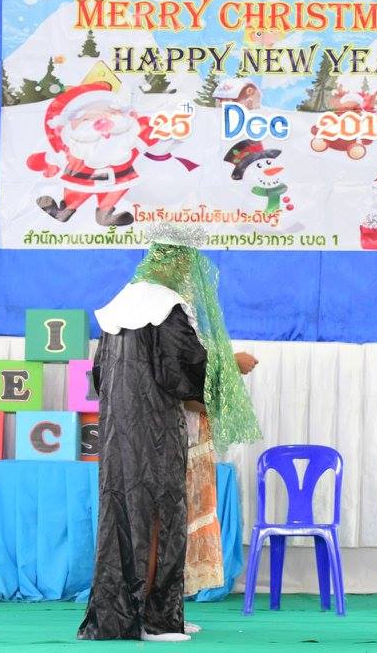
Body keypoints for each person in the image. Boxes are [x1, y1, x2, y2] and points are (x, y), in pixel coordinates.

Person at [78, 223, 261, 642]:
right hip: (156, 434)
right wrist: (232, 364)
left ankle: (122, 617)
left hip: (118, 435)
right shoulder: (166, 308)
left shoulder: (120, 308)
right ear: (178, 262)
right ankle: (157, 621)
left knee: (123, 519)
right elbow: (184, 370)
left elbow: (100, 377)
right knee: (160, 518)